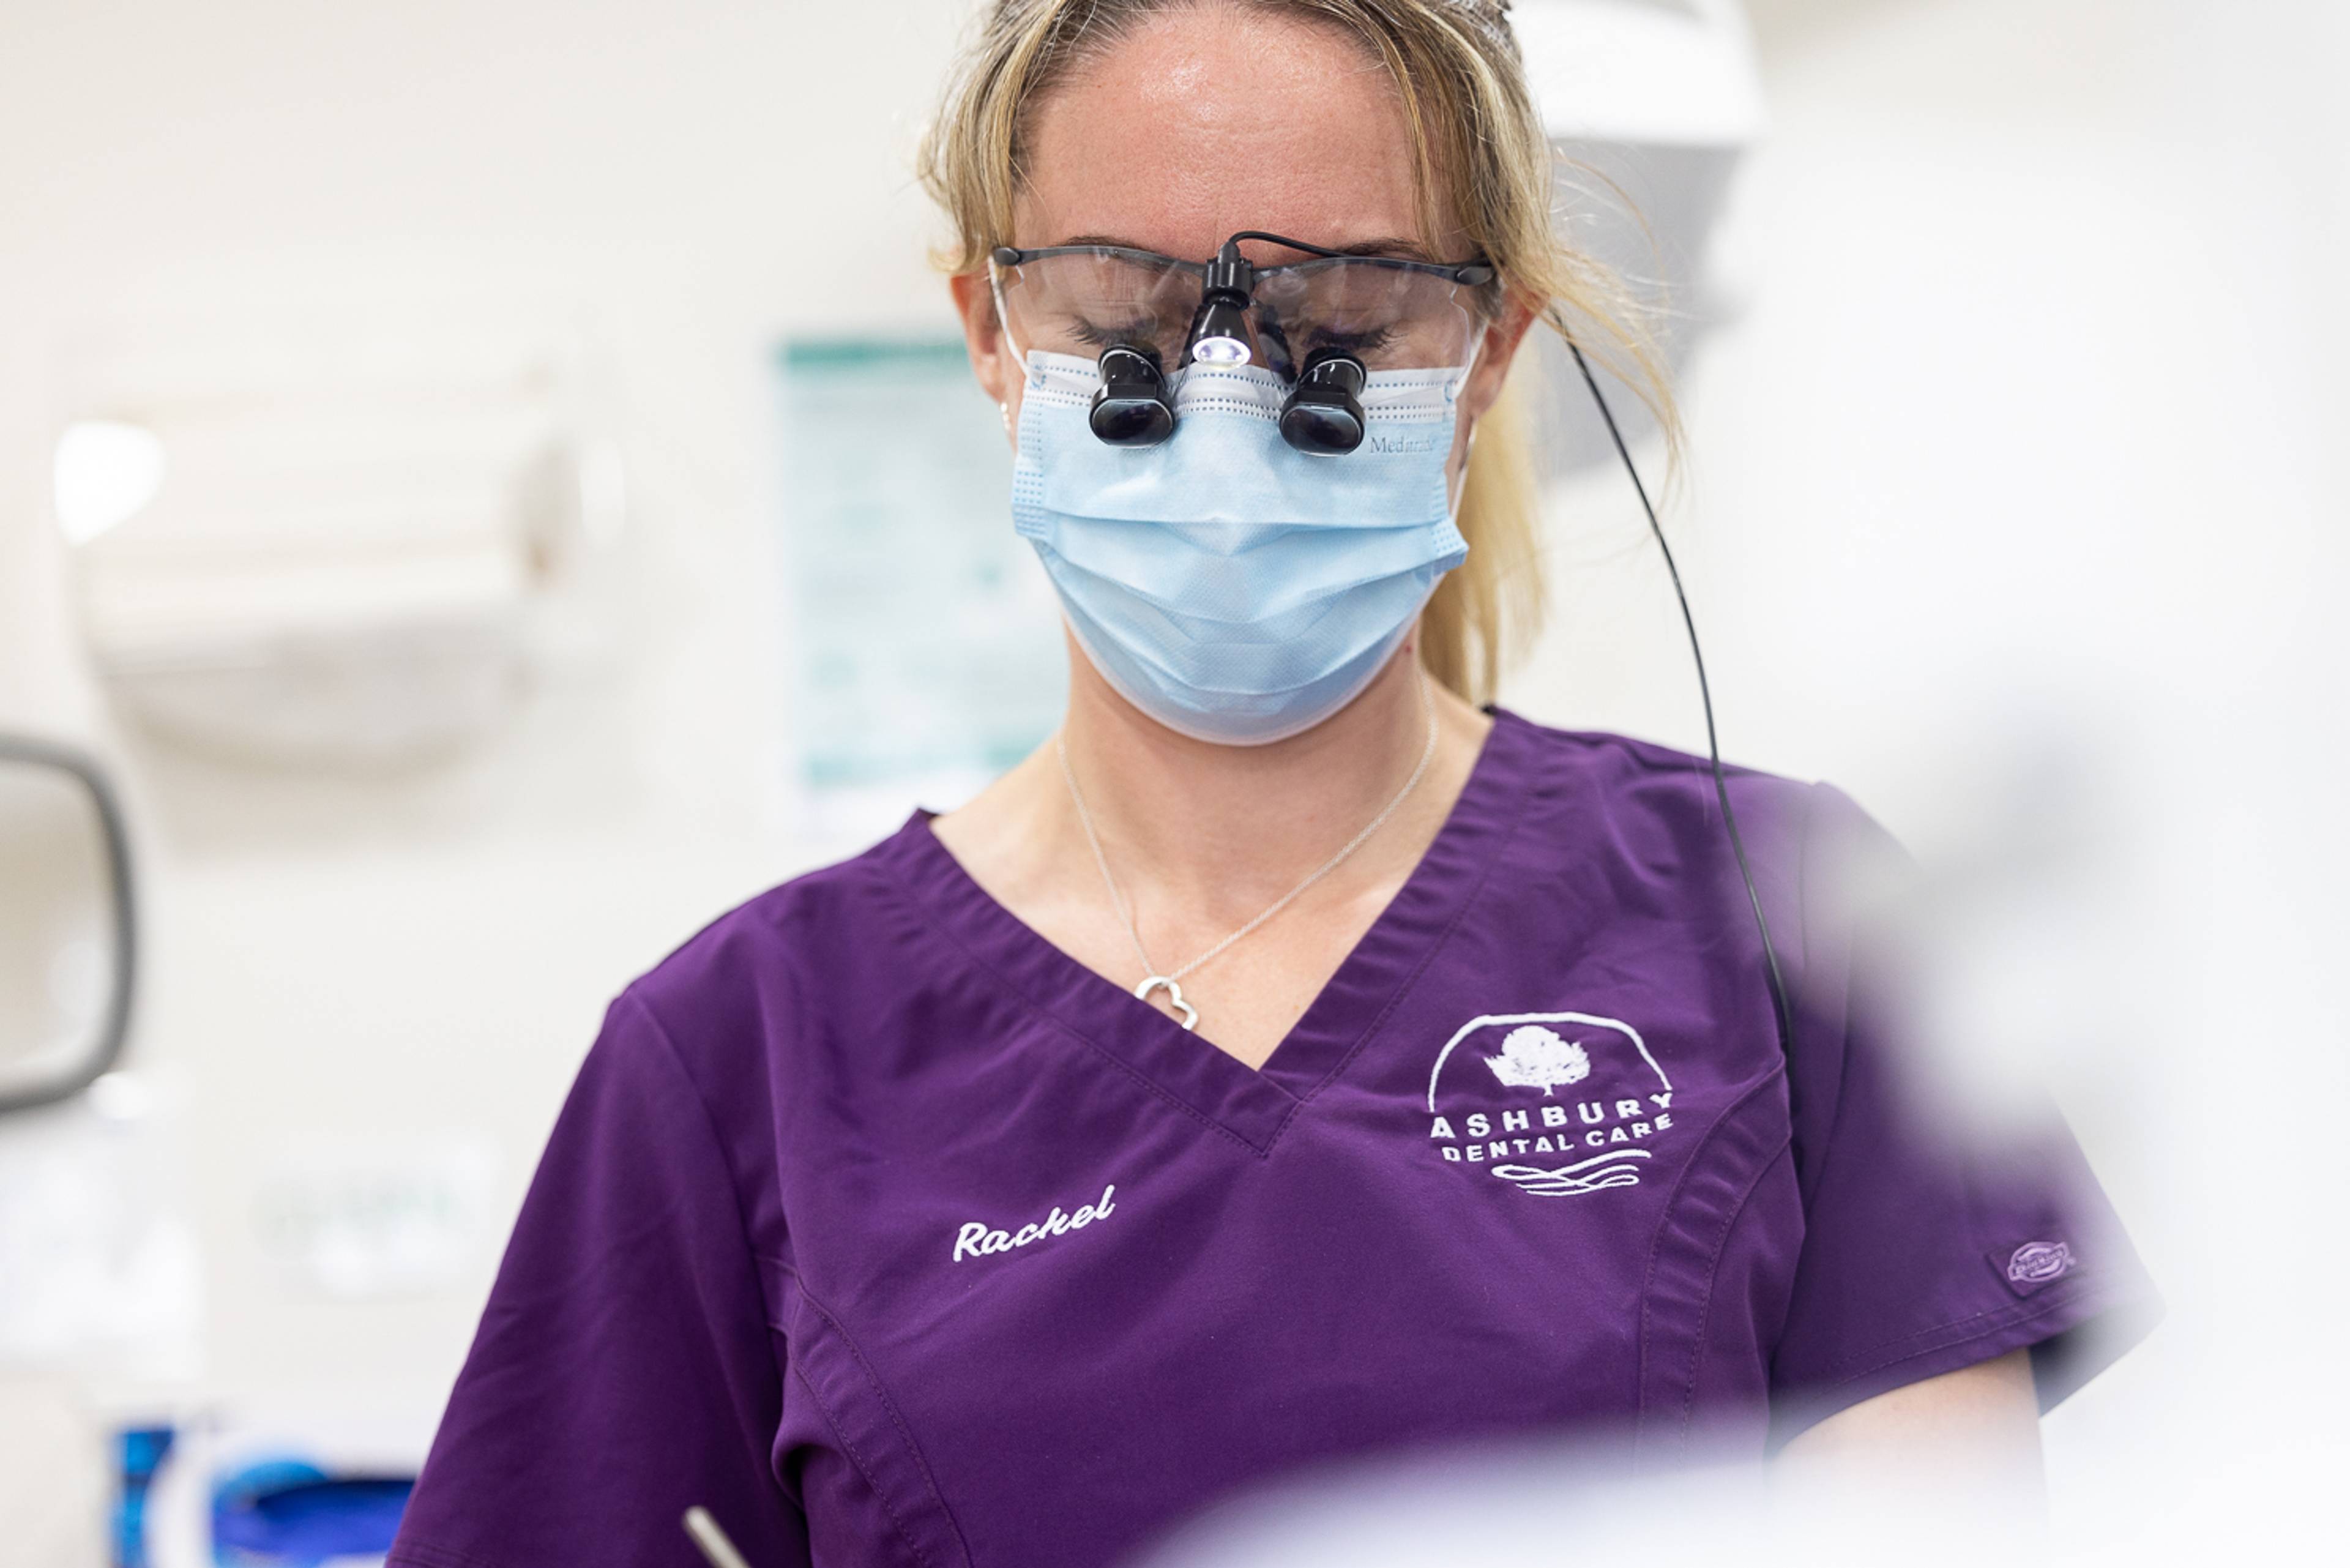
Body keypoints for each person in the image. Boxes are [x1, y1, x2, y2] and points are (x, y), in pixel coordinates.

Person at [386, 3, 2159, 1566]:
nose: (1226, 400)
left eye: (1344, 317)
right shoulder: (741, 1058)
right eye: (1126, 316)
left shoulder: (1792, 921)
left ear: (1487, 359)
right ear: (995, 337)